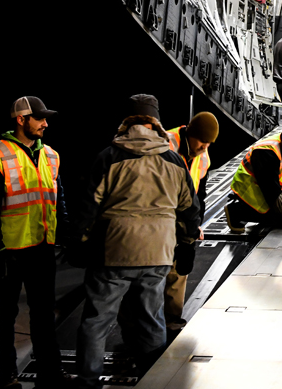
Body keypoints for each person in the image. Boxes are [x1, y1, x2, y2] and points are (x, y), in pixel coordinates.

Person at [68, 94, 200, 388]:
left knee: (97, 320)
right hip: (159, 253)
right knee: (151, 319)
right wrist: (188, 243)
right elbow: (190, 208)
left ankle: (88, 381)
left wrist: (77, 241)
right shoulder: (173, 159)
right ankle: (153, 379)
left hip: (114, 251)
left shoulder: (109, 156)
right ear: (156, 122)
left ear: (126, 121)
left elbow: (88, 205)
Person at [0, 97, 65, 389]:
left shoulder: (51, 155)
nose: (45, 123)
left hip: (42, 247)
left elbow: (57, 198)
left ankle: (50, 374)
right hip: (7, 251)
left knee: (44, 316)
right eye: (39, 118)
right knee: (3, 318)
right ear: (21, 119)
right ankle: (4, 376)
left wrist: (62, 235)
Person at [162, 112, 219, 327]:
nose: (205, 146)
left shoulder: (203, 155)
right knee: (155, 271)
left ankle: (172, 319)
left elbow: (199, 194)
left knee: (180, 269)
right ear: (190, 134)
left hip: (184, 216)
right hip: (162, 216)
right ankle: (146, 324)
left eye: (209, 143)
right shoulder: (166, 145)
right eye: (203, 141)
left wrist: (197, 225)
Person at [225, 128, 282, 229]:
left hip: (262, 185)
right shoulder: (267, 152)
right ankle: (236, 211)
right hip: (247, 189)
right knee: (279, 218)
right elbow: (271, 188)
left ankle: (264, 211)